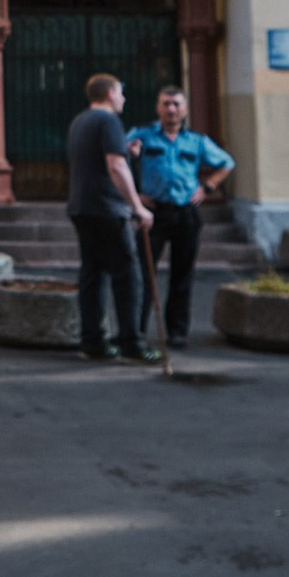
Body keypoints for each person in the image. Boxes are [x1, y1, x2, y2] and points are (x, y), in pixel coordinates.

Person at [128, 85, 235, 350]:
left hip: (185, 214)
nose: (171, 109)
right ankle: (136, 331)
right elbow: (115, 158)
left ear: (185, 109)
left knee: (182, 275)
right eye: (166, 104)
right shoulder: (142, 136)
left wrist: (207, 187)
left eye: (176, 104)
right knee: (142, 273)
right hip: (153, 214)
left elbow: (226, 163)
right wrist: (135, 194)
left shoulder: (197, 141)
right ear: (158, 107)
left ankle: (177, 332)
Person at [65, 73, 156, 363]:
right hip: (107, 209)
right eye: (121, 93)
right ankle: (131, 342)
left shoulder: (81, 121)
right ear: (110, 94)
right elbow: (115, 166)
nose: (124, 99)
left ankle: (92, 341)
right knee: (128, 275)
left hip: (82, 206)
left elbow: (104, 158)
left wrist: (127, 153)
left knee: (93, 273)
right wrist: (136, 207)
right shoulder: (109, 122)